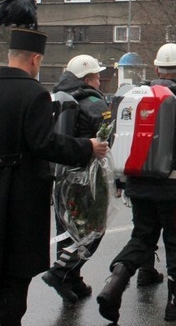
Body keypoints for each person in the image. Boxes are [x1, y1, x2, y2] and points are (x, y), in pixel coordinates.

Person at [0, 0, 108, 326]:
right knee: (17, 277)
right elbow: (44, 143)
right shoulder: (34, 94)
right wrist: (87, 147)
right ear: (35, 58)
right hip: (22, 197)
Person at [96, 43, 176, 323]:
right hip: (175, 189)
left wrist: (121, 180)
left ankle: (114, 284)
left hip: (139, 183)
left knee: (142, 237)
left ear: (156, 68)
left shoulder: (136, 98)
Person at [41, 54, 111, 303]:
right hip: (86, 176)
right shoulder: (93, 102)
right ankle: (61, 272)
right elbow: (107, 137)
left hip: (62, 175)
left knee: (67, 229)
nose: (100, 81)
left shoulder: (59, 97)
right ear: (88, 78)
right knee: (94, 229)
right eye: (97, 76)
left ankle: (72, 279)